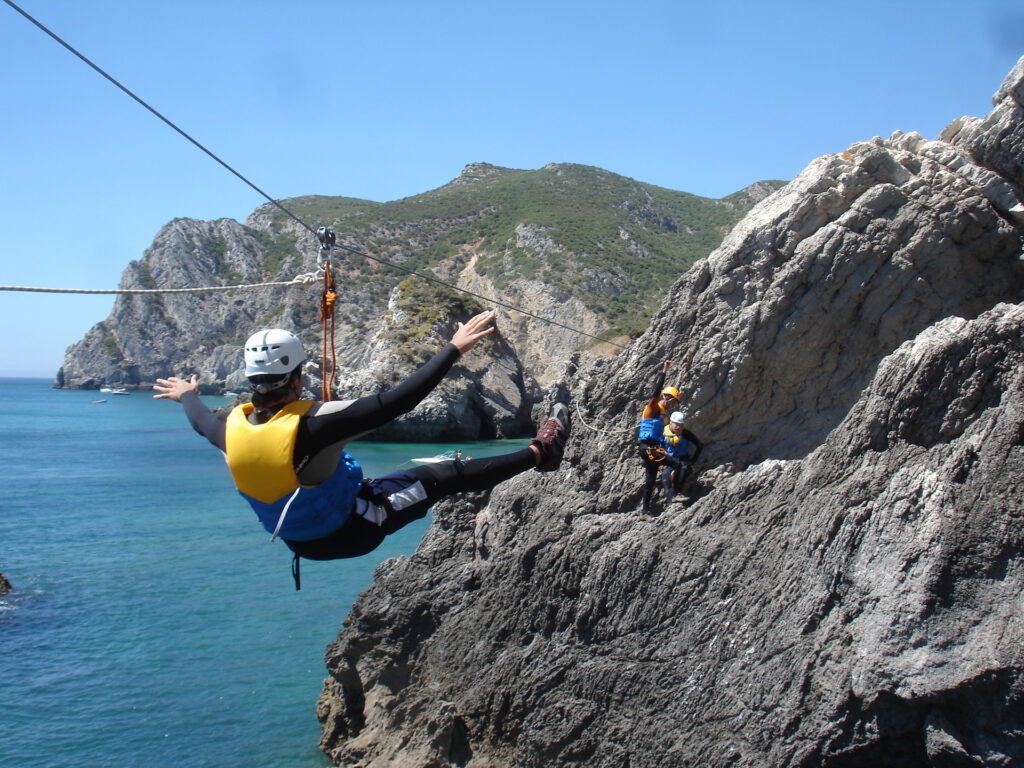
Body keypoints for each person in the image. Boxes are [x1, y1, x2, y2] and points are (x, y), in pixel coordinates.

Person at [153, 310, 571, 588]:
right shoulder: (313, 425)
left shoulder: (228, 429)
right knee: (442, 476)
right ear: (297, 377)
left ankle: (531, 455)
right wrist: (453, 348)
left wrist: (187, 392)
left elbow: (197, 418)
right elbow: (396, 402)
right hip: (353, 531)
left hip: (302, 541)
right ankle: (541, 454)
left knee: (401, 479)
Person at [636, 359, 679, 517]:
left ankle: (644, 512)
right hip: (647, 447)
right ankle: (675, 496)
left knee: (650, 481)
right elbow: (656, 391)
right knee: (677, 464)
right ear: (666, 398)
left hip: (652, 449)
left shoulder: (665, 416)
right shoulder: (653, 407)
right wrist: (664, 371)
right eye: (673, 402)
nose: (674, 406)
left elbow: (662, 435)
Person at [660, 411, 703, 504]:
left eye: (680, 425)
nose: (678, 427)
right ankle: (670, 503)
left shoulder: (685, 433)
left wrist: (692, 461)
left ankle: (677, 493)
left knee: (683, 469)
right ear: (670, 422)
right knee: (666, 477)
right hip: (670, 459)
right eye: (676, 424)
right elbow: (660, 447)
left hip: (683, 459)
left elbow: (699, 445)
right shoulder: (664, 433)